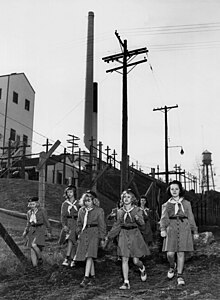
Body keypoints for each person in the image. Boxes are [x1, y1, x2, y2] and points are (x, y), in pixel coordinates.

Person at [105, 189, 149, 290]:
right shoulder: (120, 211)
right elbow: (117, 225)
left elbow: (142, 224)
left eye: (128, 197)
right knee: (124, 259)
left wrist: (138, 219)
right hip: (123, 235)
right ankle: (126, 282)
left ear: (132, 199)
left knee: (135, 261)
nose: (126, 199)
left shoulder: (137, 210)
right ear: (122, 199)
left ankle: (142, 268)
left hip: (134, 235)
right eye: (124, 197)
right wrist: (109, 236)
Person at [159, 180, 199, 286]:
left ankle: (180, 275)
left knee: (181, 253)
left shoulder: (186, 203)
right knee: (170, 254)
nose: (174, 191)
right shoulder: (166, 205)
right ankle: (172, 266)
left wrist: (194, 230)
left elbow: (191, 217)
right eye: (172, 189)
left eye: (176, 189)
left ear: (180, 190)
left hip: (184, 228)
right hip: (171, 228)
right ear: (169, 190)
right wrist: (162, 229)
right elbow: (163, 219)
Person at [75, 190, 106, 287]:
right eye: (85, 201)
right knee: (88, 255)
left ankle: (86, 278)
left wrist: (102, 238)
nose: (87, 203)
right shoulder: (81, 210)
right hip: (84, 233)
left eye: (89, 200)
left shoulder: (99, 211)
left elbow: (102, 225)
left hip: (94, 233)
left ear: (93, 201)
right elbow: (79, 223)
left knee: (89, 255)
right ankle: (93, 277)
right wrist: (79, 232)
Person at [22, 196, 52, 267]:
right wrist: (25, 231)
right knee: (32, 249)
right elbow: (28, 223)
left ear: (37, 204)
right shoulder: (29, 212)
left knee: (34, 245)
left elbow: (46, 221)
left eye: (33, 204)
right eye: (30, 204)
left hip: (40, 229)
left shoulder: (42, 211)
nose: (32, 206)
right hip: (32, 230)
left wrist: (49, 231)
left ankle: (40, 258)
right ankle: (35, 266)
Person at [60, 185, 80, 267]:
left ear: (74, 192)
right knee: (70, 240)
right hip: (69, 222)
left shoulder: (79, 203)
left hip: (77, 222)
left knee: (72, 239)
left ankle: (68, 258)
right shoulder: (65, 204)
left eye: (71, 192)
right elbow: (63, 216)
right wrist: (64, 225)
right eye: (68, 192)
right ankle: (72, 259)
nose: (69, 194)